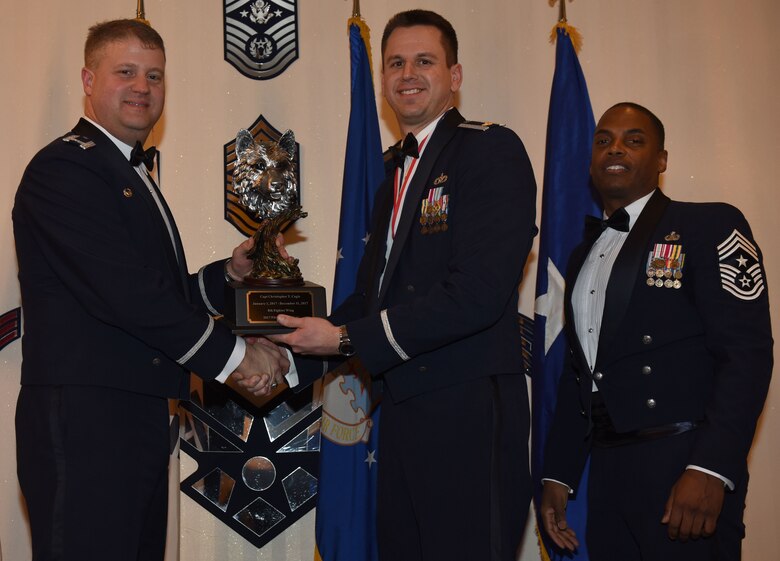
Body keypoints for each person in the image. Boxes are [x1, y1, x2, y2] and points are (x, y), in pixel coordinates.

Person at [12, 19, 288, 561]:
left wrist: (229, 276)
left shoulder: (123, 168)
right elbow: (129, 296)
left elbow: (153, 292)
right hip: (86, 417)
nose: (142, 87)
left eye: (154, 75)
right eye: (126, 72)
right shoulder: (65, 167)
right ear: (89, 80)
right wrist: (238, 358)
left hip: (131, 414)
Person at [271, 9, 537, 561]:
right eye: (395, 63)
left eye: (424, 61)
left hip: (467, 411)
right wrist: (284, 346)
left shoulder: (490, 150)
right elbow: (370, 299)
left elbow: (478, 293)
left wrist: (346, 339)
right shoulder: (393, 173)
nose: (408, 74)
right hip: (403, 411)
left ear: (454, 75)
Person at [540, 102, 772, 560]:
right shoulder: (580, 255)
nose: (615, 148)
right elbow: (579, 372)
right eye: (603, 140)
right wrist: (558, 473)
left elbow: (746, 354)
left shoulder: (708, 225)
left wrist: (710, 467)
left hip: (683, 465)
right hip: (607, 473)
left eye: (634, 140)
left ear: (662, 160)